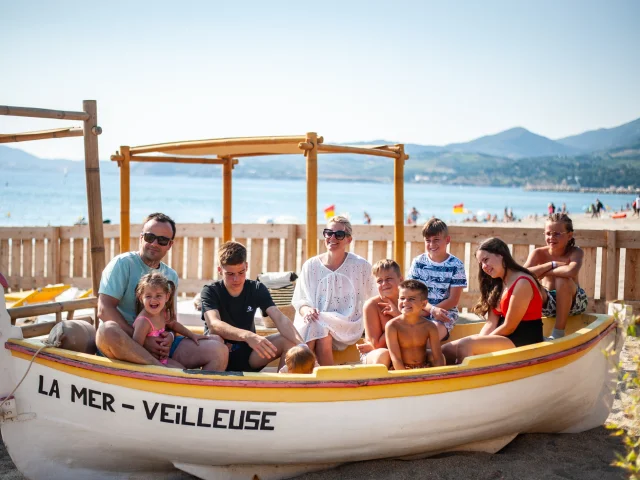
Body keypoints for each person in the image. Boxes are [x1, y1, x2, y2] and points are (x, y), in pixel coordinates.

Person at [96, 213, 228, 370]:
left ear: (169, 245)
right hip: (123, 343)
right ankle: (161, 369)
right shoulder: (122, 264)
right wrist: (143, 340)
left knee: (219, 350)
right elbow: (104, 309)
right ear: (141, 238)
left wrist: (170, 338)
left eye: (162, 240)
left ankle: (196, 393)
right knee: (107, 329)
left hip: (158, 344)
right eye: (149, 237)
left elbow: (171, 320)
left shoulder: (170, 275)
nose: (155, 243)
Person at [201, 241, 303, 372]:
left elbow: (279, 318)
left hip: (249, 355)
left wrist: (303, 346)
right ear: (220, 270)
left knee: (290, 341)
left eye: (241, 272)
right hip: (219, 353)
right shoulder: (210, 291)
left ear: (247, 266)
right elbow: (214, 324)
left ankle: (282, 386)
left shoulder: (256, 288)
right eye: (230, 274)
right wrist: (248, 336)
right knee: (216, 339)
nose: (236, 279)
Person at [442, 238, 544, 364]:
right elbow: (491, 323)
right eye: (481, 263)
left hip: (523, 339)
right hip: (504, 337)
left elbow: (509, 327)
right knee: (445, 350)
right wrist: (480, 341)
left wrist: (478, 344)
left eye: (486, 260)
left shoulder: (522, 282)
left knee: (465, 345)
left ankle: (466, 381)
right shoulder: (497, 283)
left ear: (501, 255)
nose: (484, 267)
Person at [292, 215, 377, 366]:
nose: (333, 237)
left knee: (317, 324)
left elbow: (374, 297)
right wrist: (307, 311)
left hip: (348, 323)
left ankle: (302, 371)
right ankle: (322, 375)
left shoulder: (360, 265)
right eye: (328, 233)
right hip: (317, 322)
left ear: (348, 240)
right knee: (317, 325)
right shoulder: (310, 266)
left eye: (339, 234)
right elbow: (301, 301)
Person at [524, 213, 587, 339]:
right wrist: (551, 264)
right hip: (547, 303)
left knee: (561, 279)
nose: (552, 237)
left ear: (569, 235)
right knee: (527, 284)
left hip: (574, 302)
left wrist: (544, 271)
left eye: (557, 234)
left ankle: (558, 333)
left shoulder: (575, 252)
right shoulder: (538, 253)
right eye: (548, 233)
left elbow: (571, 271)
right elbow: (523, 273)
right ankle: (524, 330)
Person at [407, 218, 467, 341]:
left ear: (447, 240)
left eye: (436, 240)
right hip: (420, 310)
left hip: (444, 313)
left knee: (430, 335)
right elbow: (412, 293)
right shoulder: (418, 262)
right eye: (428, 241)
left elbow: (453, 300)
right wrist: (430, 310)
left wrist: (432, 311)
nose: (432, 244)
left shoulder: (456, 265)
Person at [132, 272, 208, 368]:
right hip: (150, 363)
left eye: (158, 296)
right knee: (181, 373)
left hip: (163, 359)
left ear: (167, 297)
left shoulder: (162, 312)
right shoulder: (144, 321)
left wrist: (192, 335)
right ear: (140, 297)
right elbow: (135, 347)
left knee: (183, 370)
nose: (153, 300)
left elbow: (174, 325)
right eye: (148, 296)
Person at [385, 280, 444, 370]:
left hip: (424, 367)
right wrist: (405, 378)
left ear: (423, 304)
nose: (405, 302)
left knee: (441, 357)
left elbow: (438, 357)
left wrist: (439, 376)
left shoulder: (429, 326)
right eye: (402, 298)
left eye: (411, 299)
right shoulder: (392, 326)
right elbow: (395, 358)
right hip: (401, 369)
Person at [357, 259, 403, 367]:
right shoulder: (371, 305)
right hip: (376, 353)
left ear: (400, 279)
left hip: (404, 350)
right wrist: (397, 319)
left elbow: (417, 332)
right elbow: (377, 345)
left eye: (388, 279)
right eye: (379, 281)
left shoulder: (409, 301)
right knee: (383, 354)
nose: (384, 284)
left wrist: (398, 314)